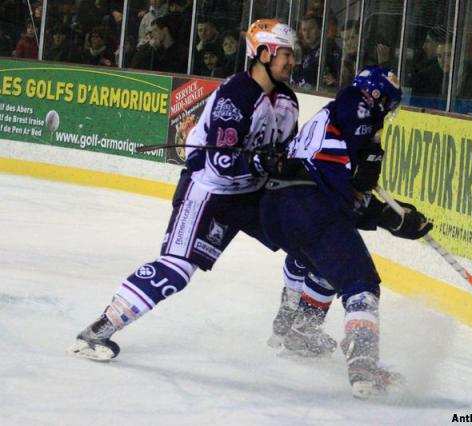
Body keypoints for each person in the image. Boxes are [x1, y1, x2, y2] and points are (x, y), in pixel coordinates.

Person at [69, 18, 300, 361]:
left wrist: (279, 164)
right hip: (208, 194)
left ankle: (295, 329)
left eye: (293, 55)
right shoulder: (235, 96)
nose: (291, 61)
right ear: (263, 53)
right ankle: (97, 332)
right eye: (285, 54)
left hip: (250, 195)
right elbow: (220, 163)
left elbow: (281, 150)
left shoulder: (287, 102)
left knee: (308, 238)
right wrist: (261, 163)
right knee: (176, 270)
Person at [259, 66, 432, 397]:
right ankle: (363, 363)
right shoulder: (357, 103)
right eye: (390, 103)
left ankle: (301, 326)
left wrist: (394, 217)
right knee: (360, 282)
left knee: (326, 263)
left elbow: (349, 195)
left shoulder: (329, 122)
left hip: (281, 208)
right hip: (309, 205)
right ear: (379, 97)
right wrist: (370, 156)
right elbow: (348, 182)